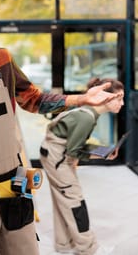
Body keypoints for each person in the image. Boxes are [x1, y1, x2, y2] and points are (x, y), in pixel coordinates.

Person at [0, 0, 118, 255]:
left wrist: (82, 99)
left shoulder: (2, 59)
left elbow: (34, 100)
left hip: (14, 181)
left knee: (23, 248)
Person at [40, 77, 124, 255]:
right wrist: (100, 154)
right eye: (119, 97)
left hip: (53, 152)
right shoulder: (86, 117)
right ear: (106, 97)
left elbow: (74, 144)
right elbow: (73, 152)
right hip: (58, 158)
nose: (122, 103)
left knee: (63, 199)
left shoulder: (88, 111)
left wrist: (100, 151)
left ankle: (64, 244)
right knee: (74, 201)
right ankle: (89, 249)